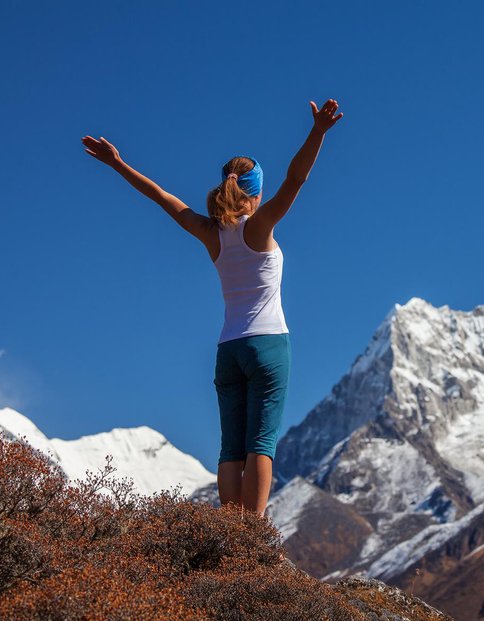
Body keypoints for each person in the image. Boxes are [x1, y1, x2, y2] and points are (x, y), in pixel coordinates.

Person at [81, 99, 344, 516]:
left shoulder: (210, 233)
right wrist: (318, 133)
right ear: (255, 192)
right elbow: (296, 180)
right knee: (261, 442)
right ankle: (251, 537)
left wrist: (117, 164)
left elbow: (162, 197)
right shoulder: (259, 227)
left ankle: (227, 535)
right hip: (269, 346)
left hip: (228, 351)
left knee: (230, 448)